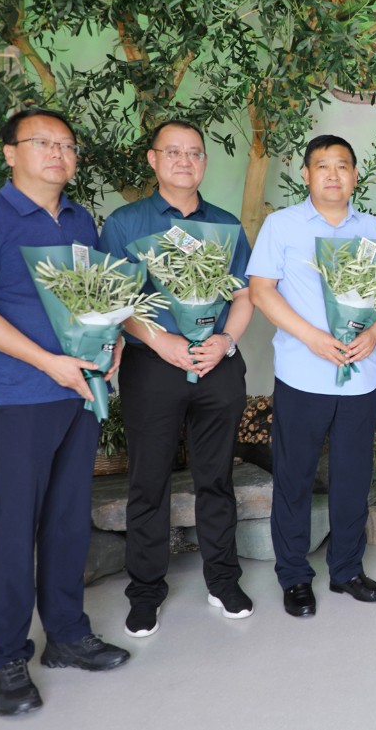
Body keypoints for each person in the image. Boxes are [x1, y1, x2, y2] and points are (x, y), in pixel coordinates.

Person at [0, 109, 130, 717]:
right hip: (19, 396)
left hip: (79, 395)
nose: (58, 153)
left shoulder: (80, 221)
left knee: (68, 521)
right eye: (42, 142)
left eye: (67, 145)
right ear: (10, 153)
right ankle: (6, 659)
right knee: (12, 530)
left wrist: (112, 344)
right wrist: (49, 362)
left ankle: (68, 636)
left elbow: (100, 298)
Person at [98, 120, 254, 638]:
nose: (185, 161)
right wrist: (161, 340)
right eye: (174, 152)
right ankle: (145, 591)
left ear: (204, 161)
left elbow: (244, 295)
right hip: (152, 367)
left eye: (195, 153)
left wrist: (226, 340)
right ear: (153, 159)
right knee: (148, 481)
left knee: (217, 478)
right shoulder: (125, 223)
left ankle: (223, 580)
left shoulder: (226, 224)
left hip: (216, 366)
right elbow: (116, 299)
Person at [247, 135, 376, 617]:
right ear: (307, 175)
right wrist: (311, 337)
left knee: (353, 478)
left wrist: (375, 331)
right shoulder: (282, 224)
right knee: (294, 478)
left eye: (342, 165)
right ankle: (294, 576)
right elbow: (261, 291)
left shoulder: (371, 227)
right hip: (302, 373)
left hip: (359, 376)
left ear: (355, 175)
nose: (333, 174)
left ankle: (347, 570)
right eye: (322, 166)